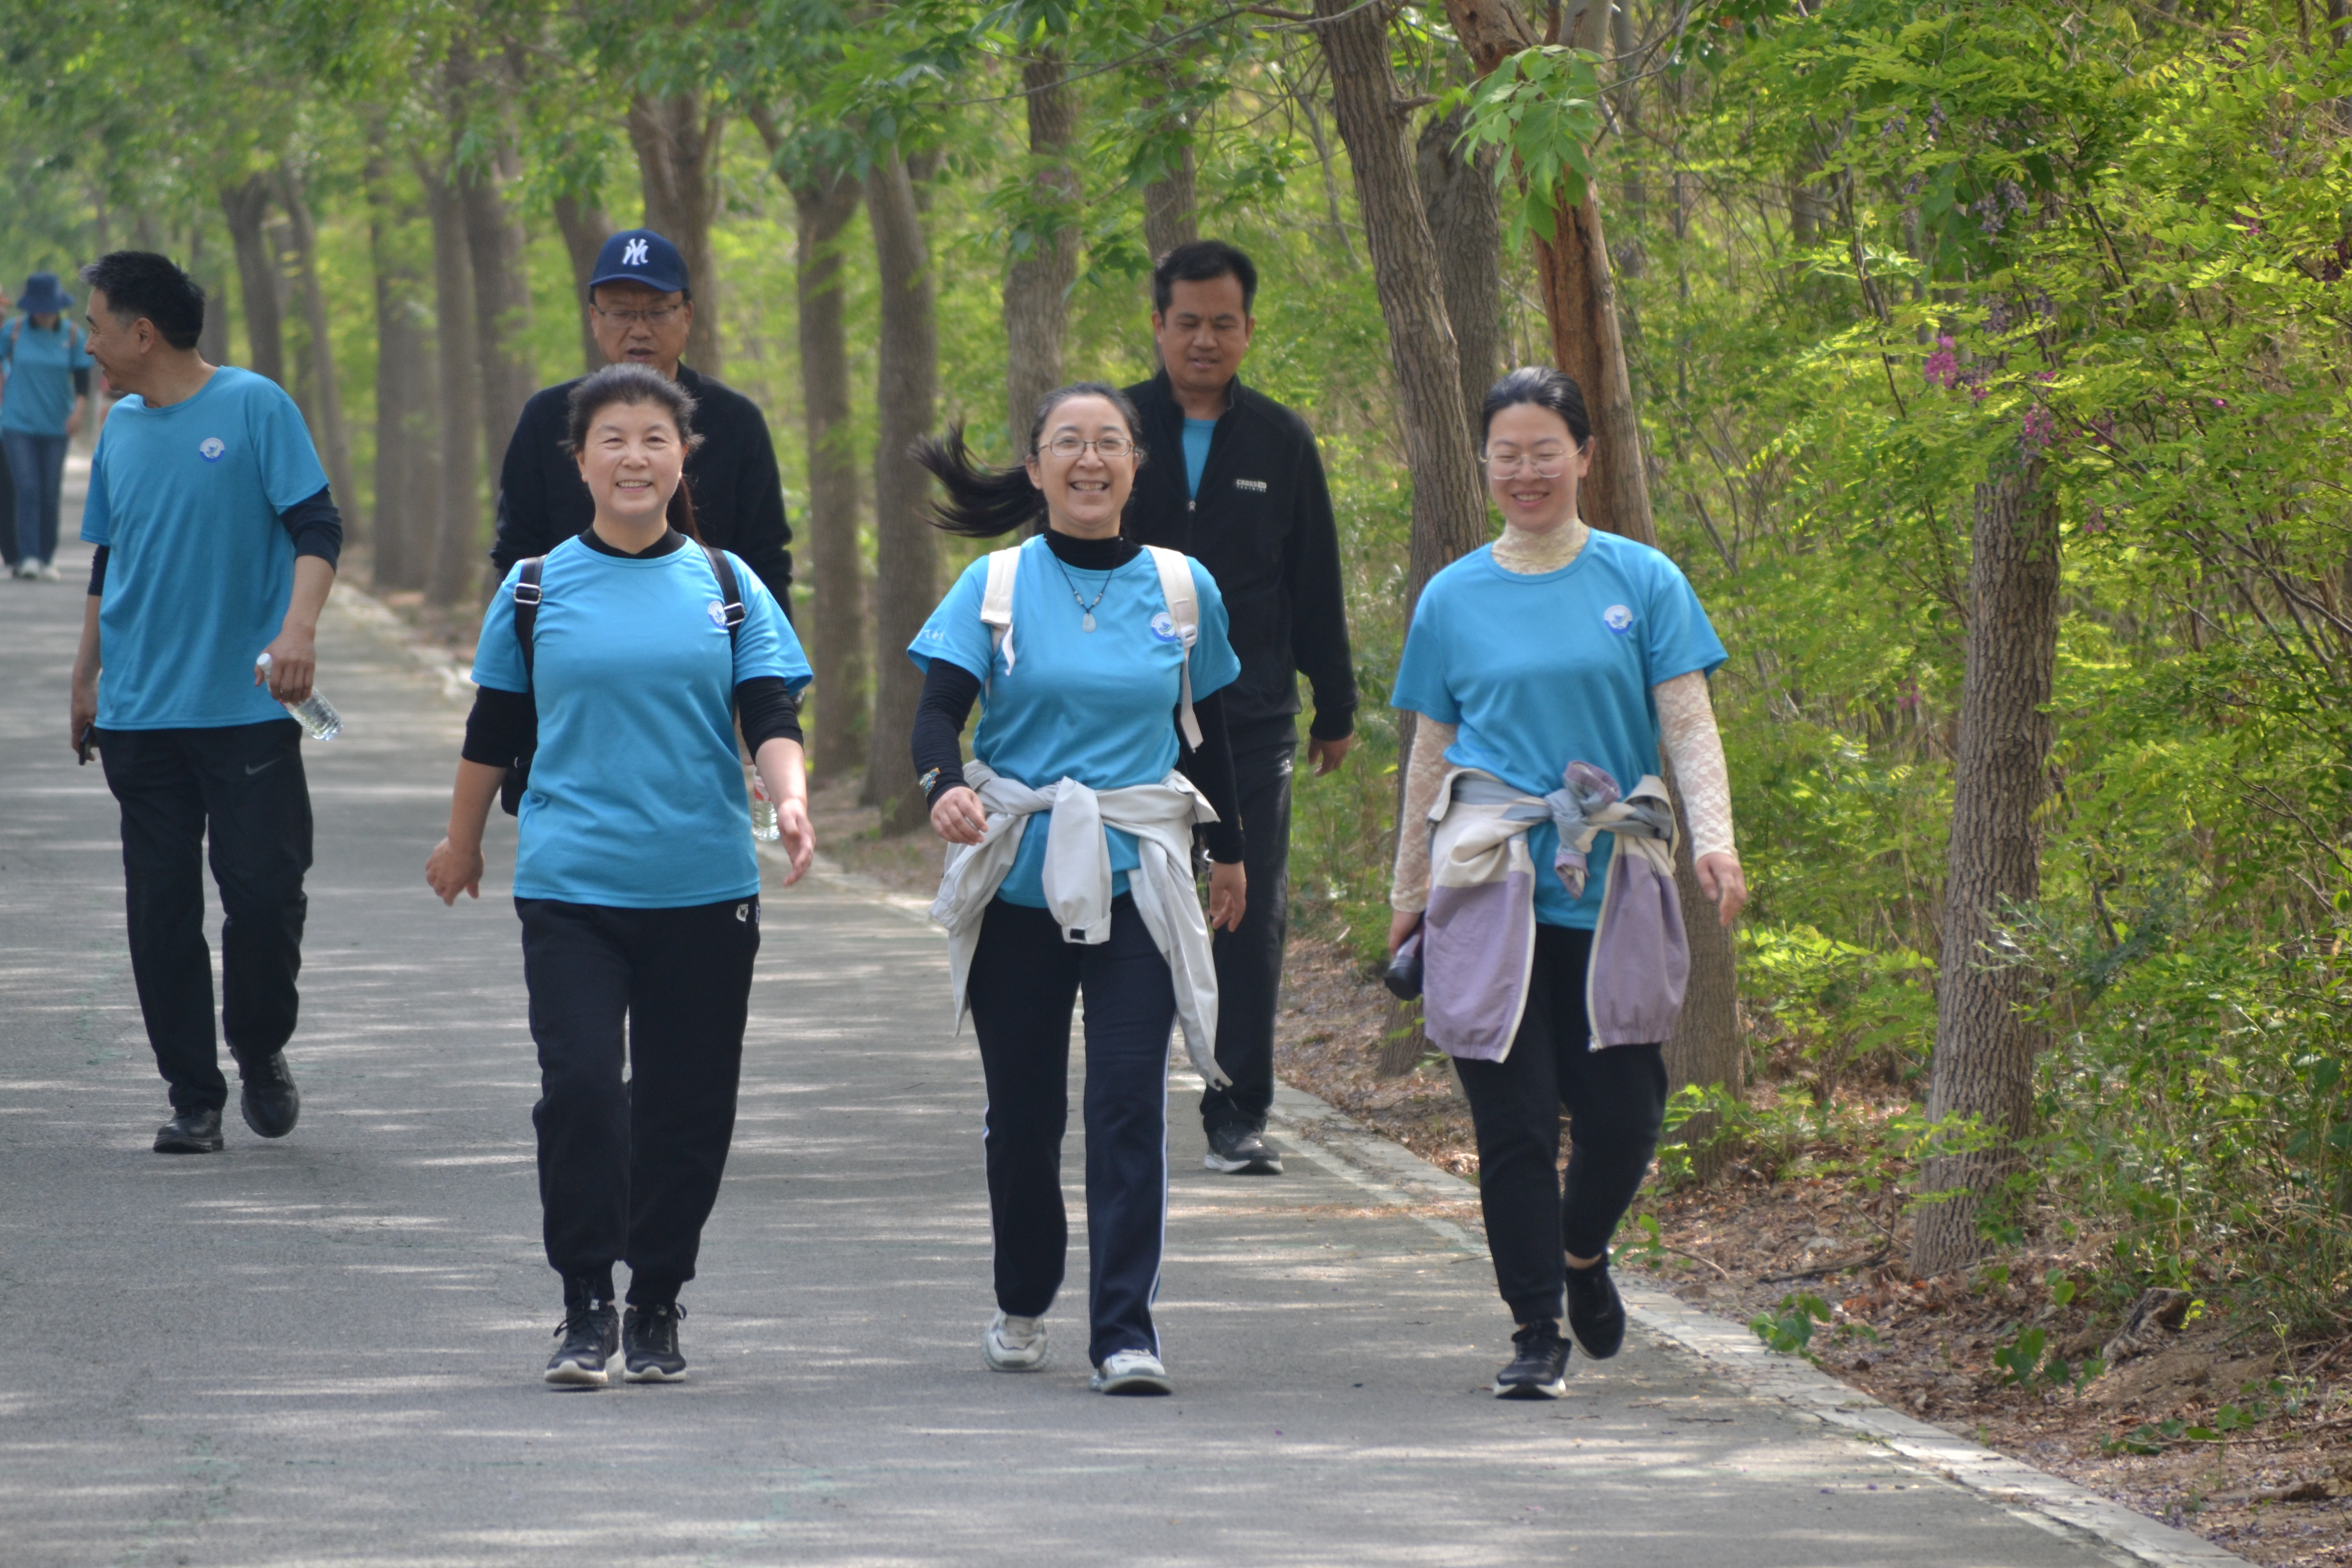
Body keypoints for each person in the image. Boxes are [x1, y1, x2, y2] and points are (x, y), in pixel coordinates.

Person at [426, 363, 815, 1388]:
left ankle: (657, 1299)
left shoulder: (728, 585)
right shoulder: (535, 586)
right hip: (572, 886)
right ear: (581, 461)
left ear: (683, 458)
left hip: (705, 887)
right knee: (584, 1090)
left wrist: (789, 800)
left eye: (654, 438)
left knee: (687, 1106)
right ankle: (586, 1300)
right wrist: (462, 842)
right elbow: (495, 726)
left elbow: (770, 712)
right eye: (613, 438)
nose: (634, 456)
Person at [1387, 367, 1746, 1400]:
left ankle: (1582, 1253)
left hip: (1612, 884)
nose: (1526, 471)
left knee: (1625, 1114)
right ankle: (1535, 1328)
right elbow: (1429, 753)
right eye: (1507, 454)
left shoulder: (1643, 580)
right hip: (1487, 885)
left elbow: (1687, 722)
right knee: (1512, 1125)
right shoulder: (1452, 596)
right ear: (1485, 463)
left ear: (1584, 457)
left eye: (1545, 451)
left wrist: (1714, 840)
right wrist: (1407, 895)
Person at [909, 383, 1246, 1395]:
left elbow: (1207, 734)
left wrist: (1231, 852)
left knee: (1127, 1103)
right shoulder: (995, 582)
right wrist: (943, 788)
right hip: (1019, 878)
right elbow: (937, 714)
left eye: (1108, 442)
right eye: (1068, 442)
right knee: (1024, 1118)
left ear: (1136, 465)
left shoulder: (1182, 588)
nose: (1089, 459)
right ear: (1036, 467)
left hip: (1139, 874)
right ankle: (1022, 1296)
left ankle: (1125, 1332)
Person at [67, 251, 343, 1155]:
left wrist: (297, 632)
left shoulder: (255, 405)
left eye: (96, 324)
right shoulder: (119, 428)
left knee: (264, 896)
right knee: (160, 913)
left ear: (142, 333)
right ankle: (194, 1095)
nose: (88, 342)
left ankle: (259, 1046)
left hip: (249, 709)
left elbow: (317, 525)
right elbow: (110, 560)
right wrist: (85, 676)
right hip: (140, 714)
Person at [1122, 239, 1356, 1179]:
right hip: (1128, 719)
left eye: (1224, 324)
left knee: (1246, 911)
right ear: (1158, 325)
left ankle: (1237, 1109)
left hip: (1250, 713)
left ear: (1249, 330)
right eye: (1188, 322)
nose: (1205, 340)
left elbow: (1314, 577)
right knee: (1134, 903)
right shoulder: (1116, 429)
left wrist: (1334, 703)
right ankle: (1129, 1091)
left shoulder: (1279, 441)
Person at [488, 228, 793, 611]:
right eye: (621, 313)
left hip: (706, 635)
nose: (640, 330)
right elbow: (517, 553)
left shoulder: (736, 422)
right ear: (595, 319)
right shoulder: (547, 418)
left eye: (657, 311)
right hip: (574, 632)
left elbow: (765, 560)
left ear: (687, 315)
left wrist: (767, 647)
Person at [4, 271, 94, 579]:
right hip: (18, 423)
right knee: (27, 488)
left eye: (49, 307)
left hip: (56, 425)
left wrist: (78, 413)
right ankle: (28, 556)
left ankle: (47, 557)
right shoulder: (14, 331)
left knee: (49, 492)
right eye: (39, 308)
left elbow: (82, 381)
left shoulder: (72, 336)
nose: (44, 313)